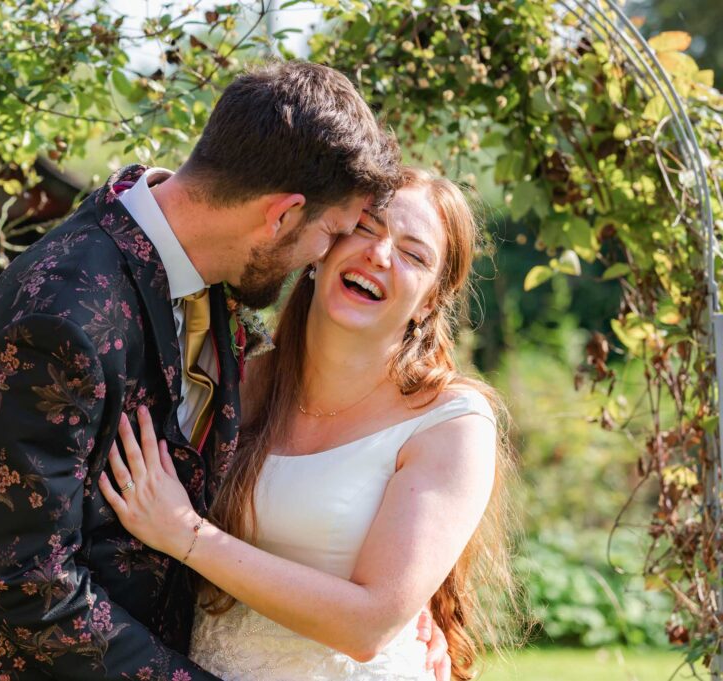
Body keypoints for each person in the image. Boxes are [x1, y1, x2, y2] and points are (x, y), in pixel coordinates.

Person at [0, 61, 460, 680]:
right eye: (333, 232)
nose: (323, 256)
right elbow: (29, 580)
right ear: (280, 216)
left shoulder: (205, 274)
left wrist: (382, 611)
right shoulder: (64, 316)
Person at [99, 169, 518, 681]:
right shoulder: (235, 381)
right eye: (367, 228)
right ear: (323, 242)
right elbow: (212, 184)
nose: (380, 255)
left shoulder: (450, 422)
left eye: (413, 254)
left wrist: (185, 535)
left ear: (429, 301)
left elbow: (370, 626)